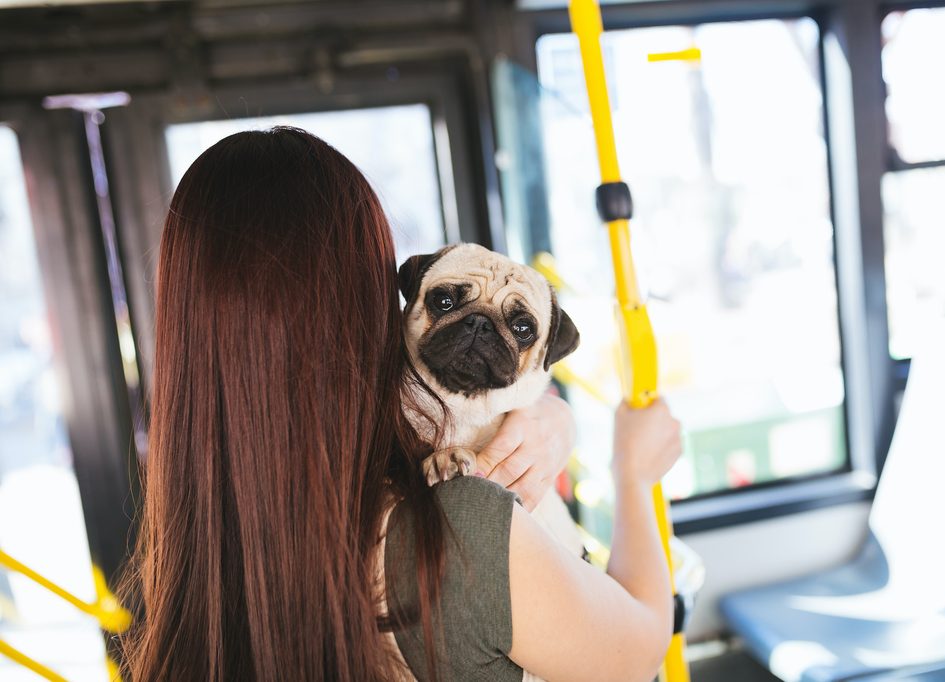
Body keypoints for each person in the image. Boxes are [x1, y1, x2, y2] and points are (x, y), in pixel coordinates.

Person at [122, 127, 682, 682]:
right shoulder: (454, 532)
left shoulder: (188, 562)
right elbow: (642, 647)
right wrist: (632, 476)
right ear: (369, 300)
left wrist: (537, 412)